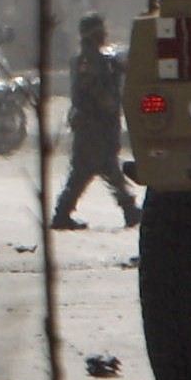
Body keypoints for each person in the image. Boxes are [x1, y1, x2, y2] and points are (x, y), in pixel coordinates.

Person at [53, 16, 137, 229]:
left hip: (98, 128)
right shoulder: (87, 61)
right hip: (92, 128)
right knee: (91, 170)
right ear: (92, 34)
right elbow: (95, 89)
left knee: (96, 170)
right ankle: (128, 210)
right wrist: (109, 102)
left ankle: (129, 210)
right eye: (101, 31)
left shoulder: (99, 60)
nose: (104, 35)